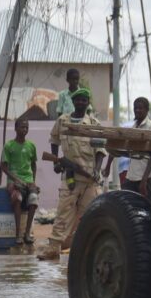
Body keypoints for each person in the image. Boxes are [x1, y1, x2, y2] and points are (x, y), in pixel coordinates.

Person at [38, 88, 105, 261]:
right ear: (73, 102)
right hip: (70, 178)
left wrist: (97, 171)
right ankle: (53, 249)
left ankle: (89, 249)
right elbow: (54, 140)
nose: (81, 103)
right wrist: (56, 162)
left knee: (92, 216)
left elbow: (100, 150)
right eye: (78, 100)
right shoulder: (63, 121)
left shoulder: (93, 124)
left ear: (88, 102)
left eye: (84, 100)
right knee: (63, 214)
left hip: (90, 179)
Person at [102, 97, 151, 193]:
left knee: (144, 205)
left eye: (140, 108)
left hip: (144, 177)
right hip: (132, 175)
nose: (137, 110)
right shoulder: (134, 126)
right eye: (135, 108)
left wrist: (144, 181)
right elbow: (119, 147)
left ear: (146, 110)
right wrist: (108, 165)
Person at [0, 117, 39, 245]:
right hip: (13, 181)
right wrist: (16, 179)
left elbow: (34, 165)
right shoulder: (9, 146)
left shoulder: (31, 146)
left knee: (33, 199)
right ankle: (18, 234)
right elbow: (3, 167)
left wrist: (33, 181)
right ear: (15, 128)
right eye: (22, 127)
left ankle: (27, 233)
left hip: (28, 180)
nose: (25, 129)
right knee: (17, 198)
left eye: (27, 127)